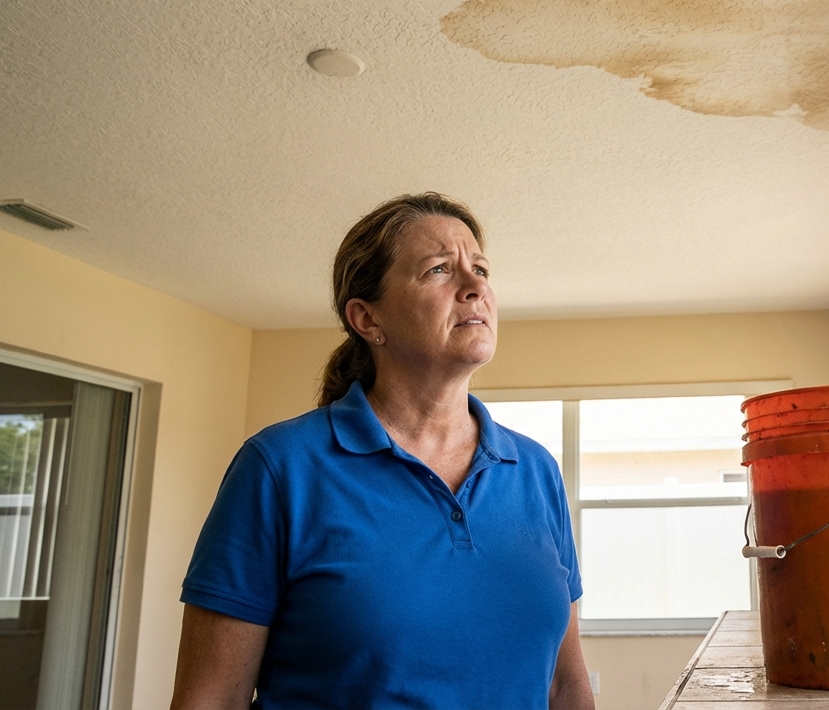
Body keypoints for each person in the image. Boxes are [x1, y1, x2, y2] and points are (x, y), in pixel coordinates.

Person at [170, 193, 595, 709]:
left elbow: (565, 686)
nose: (476, 286)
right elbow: (211, 699)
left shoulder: (535, 470)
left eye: (480, 268)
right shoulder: (279, 467)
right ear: (367, 320)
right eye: (440, 269)